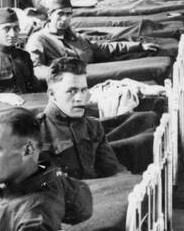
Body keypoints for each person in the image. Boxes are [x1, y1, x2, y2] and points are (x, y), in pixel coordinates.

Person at [30, 57, 124, 185]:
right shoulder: (33, 132)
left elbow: (113, 171)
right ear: (52, 94)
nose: (80, 98)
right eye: (71, 91)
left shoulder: (93, 127)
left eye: (83, 90)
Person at [25, 0, 157, 79]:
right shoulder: (39, 40)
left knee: (145, 58)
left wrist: (139, 46)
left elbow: (103, 48)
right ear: (50, 15)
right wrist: (62, 76)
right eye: (60, 14)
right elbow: (36, 69)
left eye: (68, 14)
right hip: (67, 84)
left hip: (91, 76)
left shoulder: (74, 36)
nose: (65, 18)